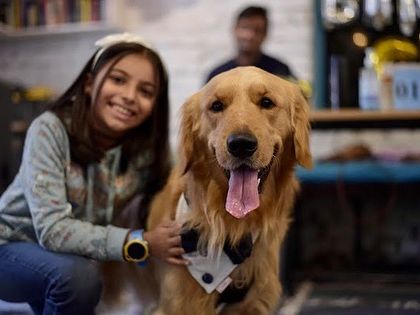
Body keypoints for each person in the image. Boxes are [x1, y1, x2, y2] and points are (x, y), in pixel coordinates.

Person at [0, 32, 187, 315]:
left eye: (146, 91)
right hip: (9, 248)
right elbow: (54, 231)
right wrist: (141, 242)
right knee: (79, 280)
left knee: (79, 281)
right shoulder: (49, 129)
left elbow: (181, 188)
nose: (129, 96)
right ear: (89, 83)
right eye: (118, 79)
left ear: (154, 107)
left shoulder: (148, 154)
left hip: (67, 263)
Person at [206, 5, 296, 82]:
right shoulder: (217, 75)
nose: (250, 36)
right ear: (235, 30)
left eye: (258, 30)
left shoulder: (280, 71)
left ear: (265, 34)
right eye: (245, 28)